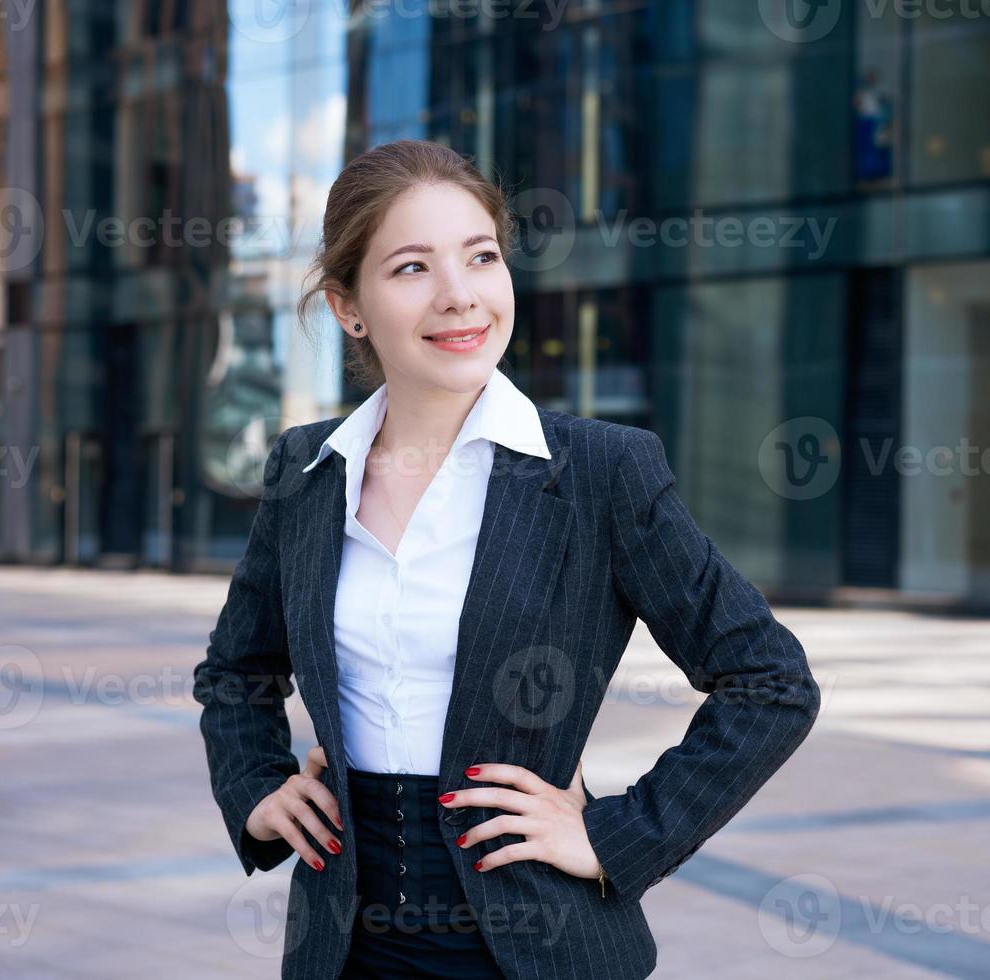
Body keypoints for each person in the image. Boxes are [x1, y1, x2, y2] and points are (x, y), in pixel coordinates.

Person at [192, 139, 822, 980]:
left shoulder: (601, 471)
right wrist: (257, 787)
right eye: (412, 267)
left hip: (536, 948)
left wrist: (615, 833)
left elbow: (769, 680)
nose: (460, 296)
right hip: (341, 948)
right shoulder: (306, 471)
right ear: (349, 307)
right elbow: (236, 669)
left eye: (480, 257)